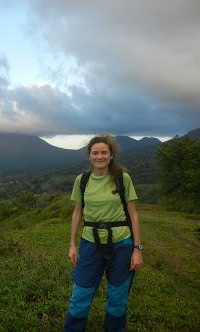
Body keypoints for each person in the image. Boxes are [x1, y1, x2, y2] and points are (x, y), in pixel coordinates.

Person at [63, 134, 142, 332]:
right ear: (89, 156)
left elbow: (133, 213)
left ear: (111, 155)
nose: (99, 156)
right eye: (95, 153)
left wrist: (137, 249)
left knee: (117, 294)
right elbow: (77, 212)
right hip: (90, 242)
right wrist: (72, 244)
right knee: (81, 292)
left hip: (122, 243)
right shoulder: (82, 181)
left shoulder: (122, 178)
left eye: (104, 152)